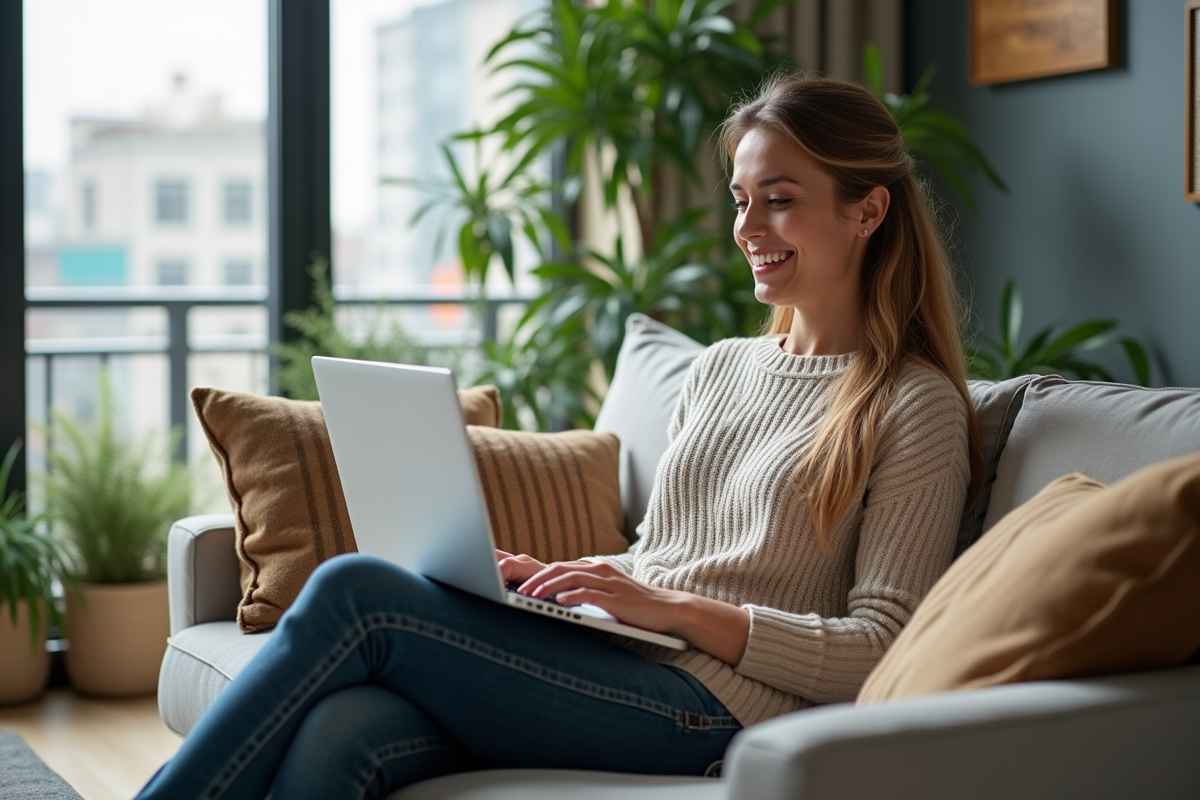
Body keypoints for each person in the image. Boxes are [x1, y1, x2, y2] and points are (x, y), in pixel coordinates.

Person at [134, 73, 982, 799]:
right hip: (634, 659)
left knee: (357, 591)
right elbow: (666, 554)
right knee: (346, 730)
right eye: (741, 200)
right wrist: (567, 581)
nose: (748, 229)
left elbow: (881, 648)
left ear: (868, 210)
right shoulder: (722, 367)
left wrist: (670, 608)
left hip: (719, 709)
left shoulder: (915, 405)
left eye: (781, 201)